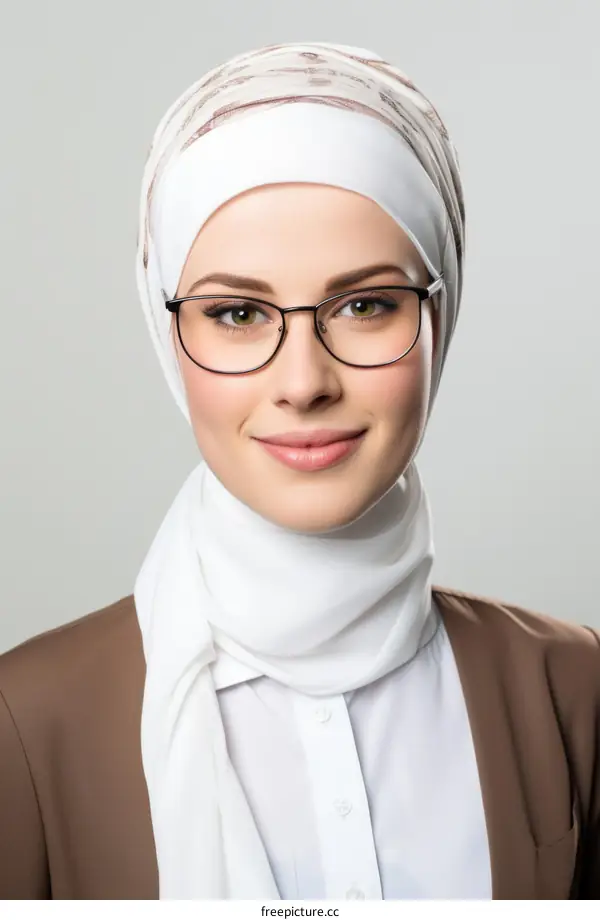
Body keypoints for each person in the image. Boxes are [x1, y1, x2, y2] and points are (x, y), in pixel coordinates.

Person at [0, 42, 598, 901]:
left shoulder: (574, 691)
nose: (304, 382)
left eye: (364, 305)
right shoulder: (25, 723)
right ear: (170, 339)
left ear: (442, 314)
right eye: (237, 313)